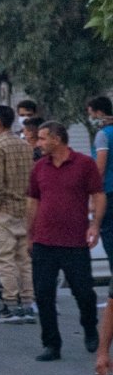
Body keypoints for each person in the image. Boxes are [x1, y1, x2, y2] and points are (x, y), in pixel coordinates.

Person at [27, 121, 104, 361]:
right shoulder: (39, 168)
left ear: (56, 139)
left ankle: (90, 328)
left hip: (74, 241)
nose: (38, 143)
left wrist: (95, 225)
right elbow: (33, 201)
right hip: (44, 240)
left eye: (41, 139)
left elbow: (98, 195)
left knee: (84, 292)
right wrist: (29, 232)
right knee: (43, 293)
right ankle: (51, 344)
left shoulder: (84, 164)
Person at [0, 105, 36, 324]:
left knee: (4, 260)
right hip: (23, 209)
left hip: (3, 212)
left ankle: (10, 305)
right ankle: (27, 304)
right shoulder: (25, 145)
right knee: (24, 261)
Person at [87, 97, 113, 259]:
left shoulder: (102, 135)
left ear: (100, 113)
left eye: (91, 114)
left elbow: (100, 168)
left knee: (109, 236)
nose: (91, 119)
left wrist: (92, 197)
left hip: (108, 192)